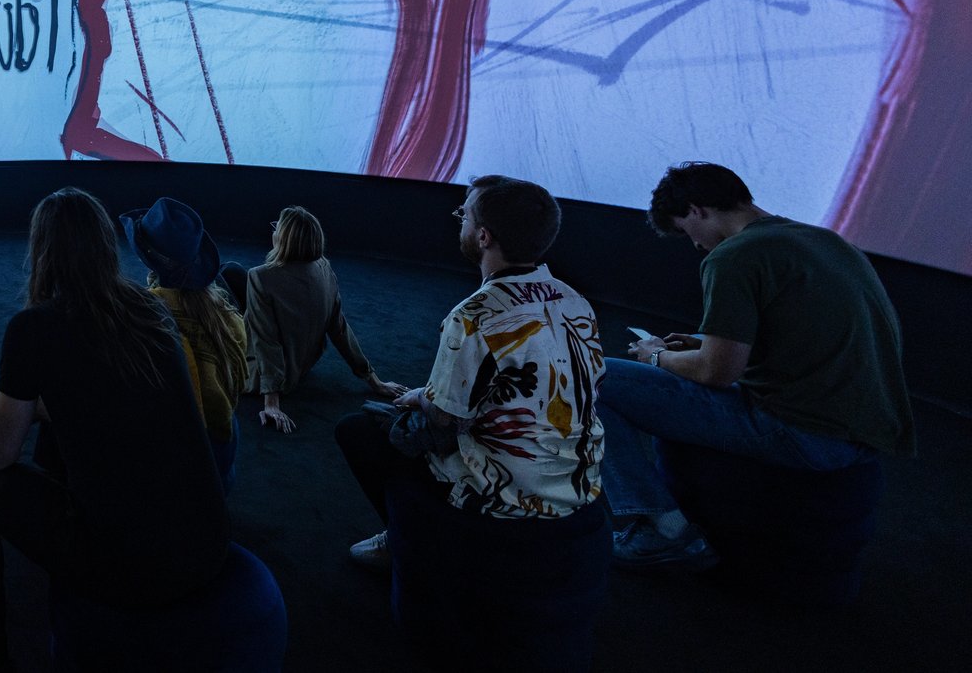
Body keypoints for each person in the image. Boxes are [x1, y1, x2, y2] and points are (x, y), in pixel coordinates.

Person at [0, 188, 229, 673]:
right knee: (53, 433)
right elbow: (122, 399)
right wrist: (51, 408)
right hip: (207, 545)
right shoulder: (149, 311)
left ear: (41, 251)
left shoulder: (32, 328)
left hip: (132, 570)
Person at [600, 162, 916, 569]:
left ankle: (661, 528)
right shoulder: (824, 241)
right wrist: (701, 343)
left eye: (684, 230)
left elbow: (718, 373)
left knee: (592, 377)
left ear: (696, 210)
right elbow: (801, 332)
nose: (694, 245)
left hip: (803, 433)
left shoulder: (733, 256)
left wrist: (656, 355)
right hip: (863, 429)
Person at [335, 175, 605, 566]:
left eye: (464, 215)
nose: (458, 220)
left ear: (483, 237)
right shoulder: (575, 300)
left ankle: (407, 538)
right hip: (579, 485)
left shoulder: (474, 317)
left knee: (358, 429)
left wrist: (417, 397)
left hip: (506, 496)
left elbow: (445, 417)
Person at [120, 197, 251, 492]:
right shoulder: (229, 318)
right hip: (223, 454)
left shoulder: (145, 315)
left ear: (148, 256)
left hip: (183, 470)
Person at [241, 206, 408, 434]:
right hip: (301, 365)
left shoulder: (260, 276)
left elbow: (266, 340)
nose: (274, 231)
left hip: (261, 377)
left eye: (276, 227)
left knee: (226, 277)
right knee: (234, 275)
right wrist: (374, 380)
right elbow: (339, 328)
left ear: (284, 238)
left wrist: (271, 403)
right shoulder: (324, 267)